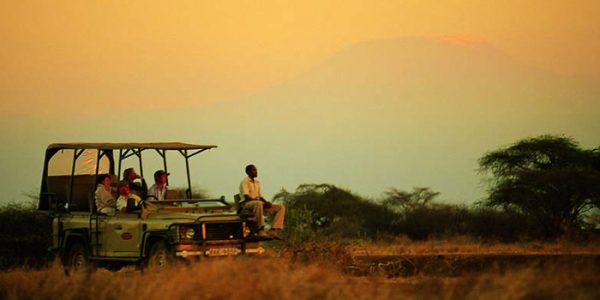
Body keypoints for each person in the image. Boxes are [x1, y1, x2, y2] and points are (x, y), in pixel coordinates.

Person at [239, 164, 285, 240]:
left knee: (280, 207)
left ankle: (273, 230)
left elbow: (260, 196)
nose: (256, 172)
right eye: (253, 170)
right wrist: (260, 202)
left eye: (256, 170)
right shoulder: (245, 182)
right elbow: (246, 197)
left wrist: (267, 203)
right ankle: (261, 229)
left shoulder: (257, 182)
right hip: (247, 204)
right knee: (259, 203)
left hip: (258, 204)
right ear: (248, 172)